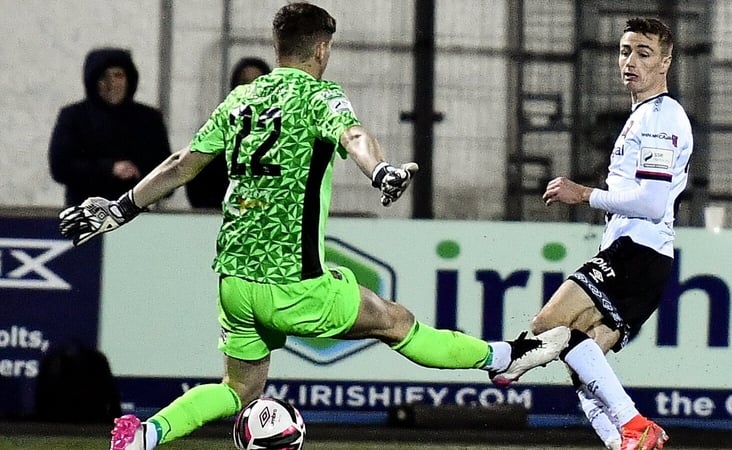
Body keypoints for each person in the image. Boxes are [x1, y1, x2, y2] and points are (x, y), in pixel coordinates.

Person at [57, 3, 569, 450]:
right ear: (322, 49)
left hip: (236, 281)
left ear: (277, 47)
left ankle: (146, 435)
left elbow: (182, 163)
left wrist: (121, 208)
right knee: (395, 322)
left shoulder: (242, 99)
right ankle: (504, 357)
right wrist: (380, 171)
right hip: (293, 283)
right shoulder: (319, 96)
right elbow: (354, 136)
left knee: (238, 390)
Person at [526, 18, 693, 450]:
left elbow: (652, 203)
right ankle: (623, 441)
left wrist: (585, 194)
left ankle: (634, 424)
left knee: (548, 325)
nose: (630, 61)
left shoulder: (660, 116)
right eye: (625, 51)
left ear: (665, 63)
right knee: (582, 356)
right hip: (644, 257)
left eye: (644, 53)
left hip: (637, 252)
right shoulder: (643, 116)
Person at [49, 47, 172, 206]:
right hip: (86, 211)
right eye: (103, 77)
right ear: (93, 82)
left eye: (118, 76)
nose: (111, 84)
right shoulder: (74, 117)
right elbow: (60, 167)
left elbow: (167, 174)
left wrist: (138, 173)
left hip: (137, 212)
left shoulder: (149, 119)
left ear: (129, 79)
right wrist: (109, 169)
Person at [185, 57, 272, 209]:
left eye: (258, 82)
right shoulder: (216, 129)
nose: (251, 89)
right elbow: (196, 184)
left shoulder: (285, 133)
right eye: (244, 83)